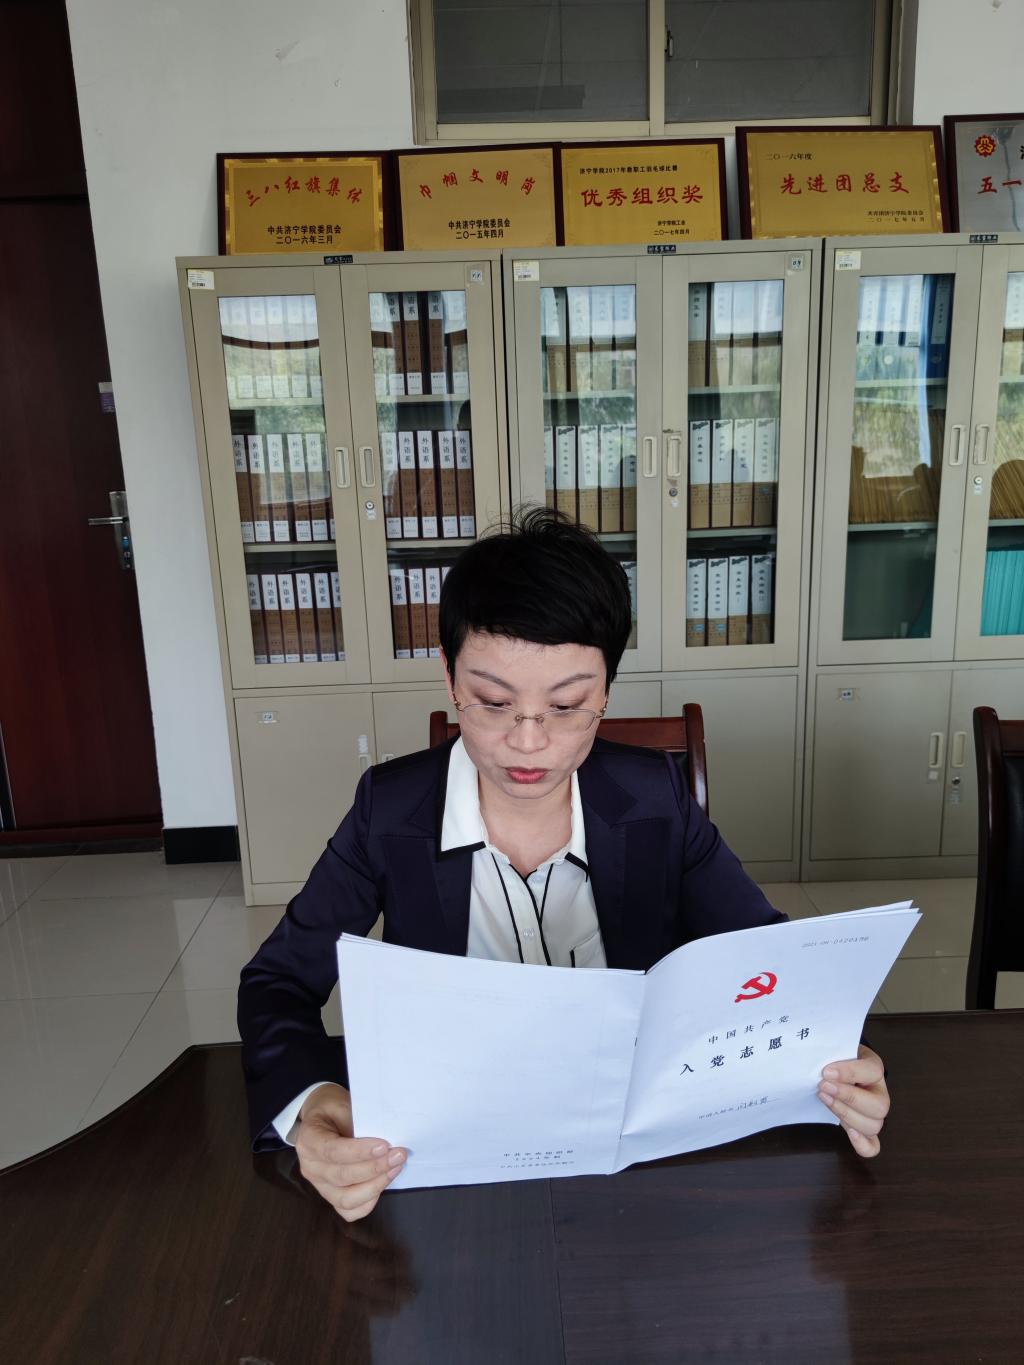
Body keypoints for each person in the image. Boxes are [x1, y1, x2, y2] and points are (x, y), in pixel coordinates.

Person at [238, 508, 890, 1222]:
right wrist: (312, 1105)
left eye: (568, 705)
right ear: (450, 678)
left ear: (606, 688)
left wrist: (832, 1059)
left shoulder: (655, 800)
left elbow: (767, 962)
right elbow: (277, 982)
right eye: (494, 702)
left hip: (636, 1170)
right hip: (451, 1165)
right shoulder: (390, 811)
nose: (528, 741)